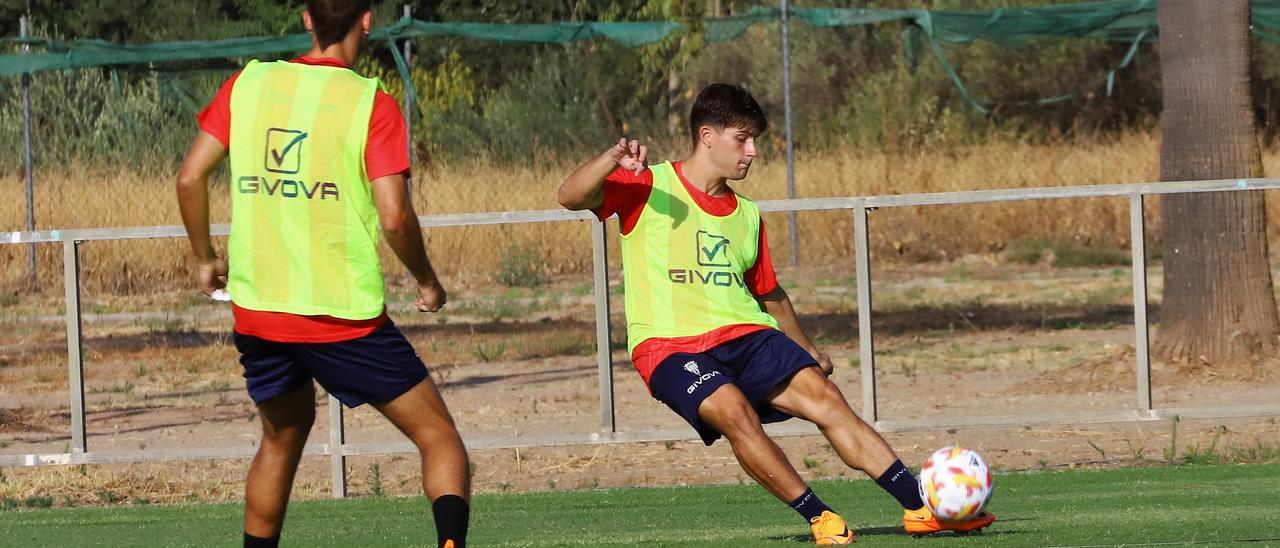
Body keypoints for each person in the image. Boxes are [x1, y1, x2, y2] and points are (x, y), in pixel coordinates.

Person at [557, 83, 995, 544]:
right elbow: (569, 196)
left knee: (828, 401)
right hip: (669, 345)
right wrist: (611, 159)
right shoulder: (647, 184)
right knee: (735, 413)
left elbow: (769, 292)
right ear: (708, 135)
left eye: (755, 140)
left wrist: (808, 348)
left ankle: (921, 507)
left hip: (748, 334)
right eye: (742, 138)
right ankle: (818, 516)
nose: (753, 151)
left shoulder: (746, 213)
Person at [175, 2, 469, 547]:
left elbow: (190, 178)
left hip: (260, 313)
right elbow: (395, 216)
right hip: (342, 319)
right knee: (439, 438)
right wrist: (427, 280)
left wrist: (205, 257)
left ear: (307, 20)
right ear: (368, 20)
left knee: (280, 441)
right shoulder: (370, 104)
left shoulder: (251, 84)